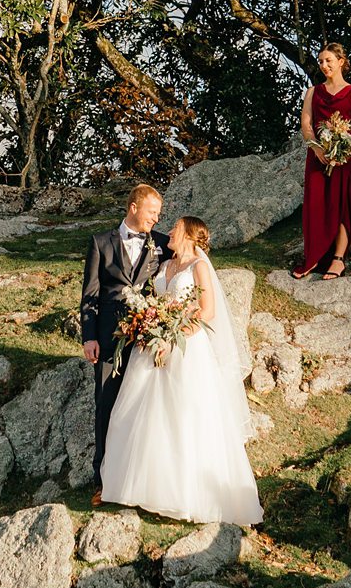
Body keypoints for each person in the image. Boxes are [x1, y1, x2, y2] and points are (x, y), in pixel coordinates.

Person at [97, 217, 264, 525]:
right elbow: (156, 302)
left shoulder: (199, 267)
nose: (169, 232)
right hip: (154, 346)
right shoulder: (164, 266)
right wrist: (151, 328)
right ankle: (146, 489)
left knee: (184, 417)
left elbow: (207, 310)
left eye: (175, 228)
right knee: (145, 415)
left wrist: (174, 339)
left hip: (186, 348)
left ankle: (189, 496)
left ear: (189, 233)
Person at [80, 182, 167, 476]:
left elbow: (192, 257)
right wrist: (89, 336)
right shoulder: (100, 243)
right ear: (133, 207)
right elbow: (90, 293)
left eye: (158, 214)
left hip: (145, 339)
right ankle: (102, 475)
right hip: (106, 338)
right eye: (152, 212)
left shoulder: (162, 243)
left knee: (140, 405)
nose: (156, 218)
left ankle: (135, 474)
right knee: (105, 402)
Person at [294, 43, 351, 280]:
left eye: (328, 61)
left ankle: (337, 259)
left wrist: (349, 150)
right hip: (317, 156)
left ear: (341, 61)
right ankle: (313, 256)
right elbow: (306, 125)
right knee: (315, 204)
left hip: (345, 158)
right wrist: (315, 148)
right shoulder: (313, 92)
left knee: (342, 204)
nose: (323, 66)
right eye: (321, 62)